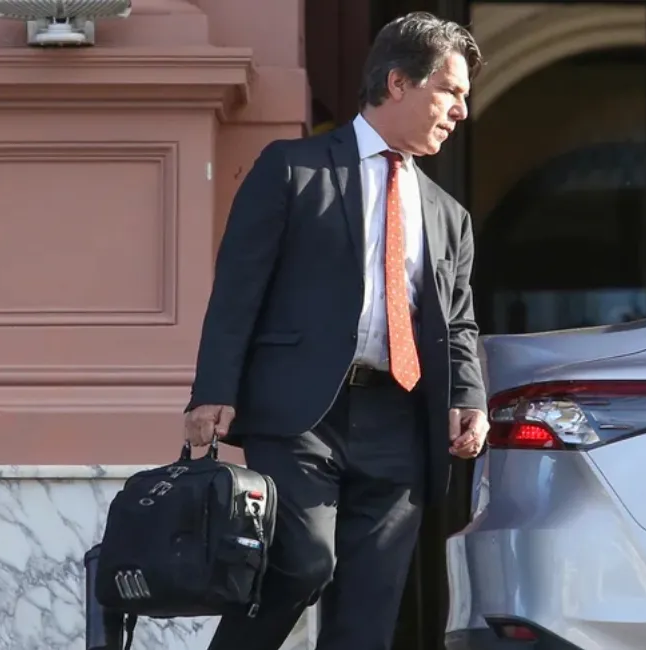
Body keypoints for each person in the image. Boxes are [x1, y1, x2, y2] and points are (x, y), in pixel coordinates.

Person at [184, 11, 488, 650]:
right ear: (399, 82)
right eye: (451, 91)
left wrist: (468, 397)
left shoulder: (448, 215)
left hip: (400, 419)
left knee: (370, 609)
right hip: (301, 414)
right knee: (302, 563)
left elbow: (456, 320)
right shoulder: (293, 168)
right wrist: (213, 388)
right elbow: (239, 287)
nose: (462, 110)